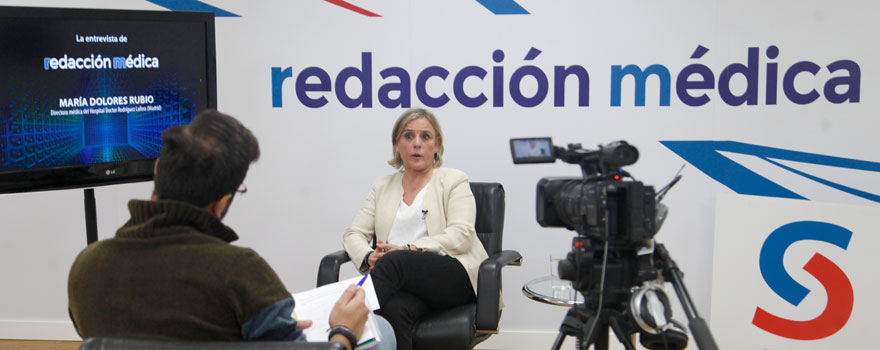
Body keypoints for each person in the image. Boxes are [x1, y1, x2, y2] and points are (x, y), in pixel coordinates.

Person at [67, 110, 394, 350]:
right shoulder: (240, 271)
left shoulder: (87, 266)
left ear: (157, 168)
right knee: (381, 333)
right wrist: (343, 333)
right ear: (221, 202)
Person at [342, 108, 489, 350]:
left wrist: (408, 249)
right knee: (395, 309)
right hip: (399, 281)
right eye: (408, 136)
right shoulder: (382, 186)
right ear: (396, 144)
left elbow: (461, 235)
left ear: (437, 144)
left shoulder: (454, 180)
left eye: (425, 137)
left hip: (452, 275)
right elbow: (353, 234)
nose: (417, 144)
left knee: (397, 261)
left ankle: (339, 325)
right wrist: (370, 257)